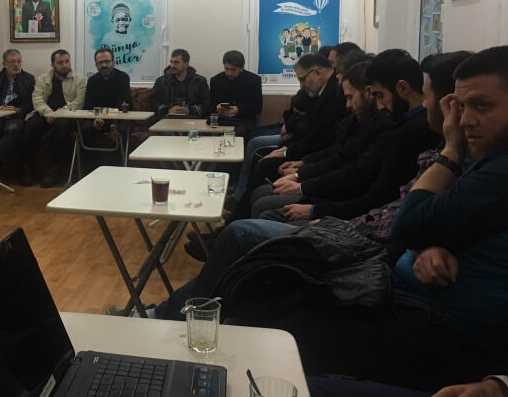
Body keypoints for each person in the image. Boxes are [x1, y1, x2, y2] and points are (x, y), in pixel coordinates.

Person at [231, 46, 508, 392]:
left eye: (482, 106)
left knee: (255, 257)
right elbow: (423, 215)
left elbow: (402, 217)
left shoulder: (481, 162)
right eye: (459, 107)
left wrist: (317, 205)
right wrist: (429, 242)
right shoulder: (476, 156)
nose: (463, 121)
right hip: (400, 287)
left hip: (430, 318)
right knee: (263, 292)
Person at [155, 51, 465, 322]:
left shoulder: (405, 134)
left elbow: (373, 190)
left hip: (355, 233)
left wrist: (315, 204)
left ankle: (188, 307)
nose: (358, 103)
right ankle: (209, 294)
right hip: (352, 222)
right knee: (260, 187)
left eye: (371, 95)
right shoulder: (414, 134)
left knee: (251, 213)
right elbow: (344, 158)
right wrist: (304, 176)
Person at [250, 61, 394, 221]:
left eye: (349, 97)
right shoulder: (359, 118)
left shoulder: (381, 127)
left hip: (341, 204)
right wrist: (301, 169)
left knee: (261, 204)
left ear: (368, 93)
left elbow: (352, 174)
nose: (347, 104)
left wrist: (302, 185)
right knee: (260, 178)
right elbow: (336, 154)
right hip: (330, 188)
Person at [22, 49, 86, 187]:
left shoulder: (80, 80)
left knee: (61, 127)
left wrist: (61, 112)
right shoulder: (42, 79)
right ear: (52, 64)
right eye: (60, 62)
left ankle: (55, 169)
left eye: (67, 61)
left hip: (67, 115)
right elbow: (37, 98)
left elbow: (79, 102)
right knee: (31, 125)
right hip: (46, 113)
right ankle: (27, 167)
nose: (64, 65)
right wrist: (47, 112)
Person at [0, 49, 35, 177]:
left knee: (12, 129)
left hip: (16, 116)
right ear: (4, 63)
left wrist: (17, 109)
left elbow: (32, 102)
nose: (17, 65)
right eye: (13, 62)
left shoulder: (28, 78)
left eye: (19, 61)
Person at [82, 48, 131, 150]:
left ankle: (120, 160)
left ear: (113, 63)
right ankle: (89, 160)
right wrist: (95, 118)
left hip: (119, 118)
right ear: (96, 65)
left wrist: (113, 123)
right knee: (85, 128)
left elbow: (123, 103)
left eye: (107, 61)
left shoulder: (123, 77)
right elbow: (88, 105)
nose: (104, 65)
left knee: (123, 129)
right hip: (99, 118)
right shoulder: (92, 81)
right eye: (100, 62)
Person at [208, 50, 262, 139]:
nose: (229, 73)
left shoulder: (254, 80)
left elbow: (257, 107)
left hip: (244, 119)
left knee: (240, 131)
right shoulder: (216, 80)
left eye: (233, 70)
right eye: (227, 69)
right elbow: (210, 106)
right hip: (221, 119)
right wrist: (217, 108)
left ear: (241, 68)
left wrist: (238, 109)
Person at [149, 49, 210, 118]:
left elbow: (206, 104)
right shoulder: (161, 81)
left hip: (192, 119)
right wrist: (168, 110)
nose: (172, 66)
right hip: (167, 118)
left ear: (186, 64)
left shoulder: (199, 81)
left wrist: (189, 110)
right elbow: (153, 102)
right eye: (171, 62)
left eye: (176, 62)